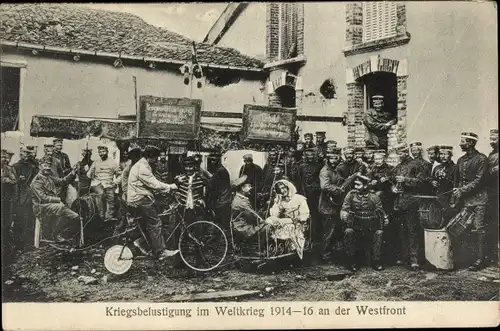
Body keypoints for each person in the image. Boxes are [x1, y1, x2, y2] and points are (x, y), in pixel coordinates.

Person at [127, 145, 179, 260]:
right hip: (140, 199)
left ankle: (142, 243)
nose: (157, 161)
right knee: (155, 222)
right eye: (156, 158)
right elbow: (155, 184)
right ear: (150, 157)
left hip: (139, 197)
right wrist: (171, 186)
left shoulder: (143, 164)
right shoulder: (143, 168)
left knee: (150, 219)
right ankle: (160, 251)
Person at [452, 132, 489, 271]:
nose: (460, 144)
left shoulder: (481, 159)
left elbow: (479, 181)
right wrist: (455, 197)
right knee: (463, 229)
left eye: (463, 141)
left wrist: (462, 190)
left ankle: (480, 260)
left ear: (471, 143)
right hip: (465, 200)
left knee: (478, 229)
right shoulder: (461, 160)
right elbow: (457, 181)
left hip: (479, 200)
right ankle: (467, 258)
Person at [389, 143, 425, 270]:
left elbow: (422, 182)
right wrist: (392, 188)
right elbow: (391, 180)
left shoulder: (416, 164)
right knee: (401, 230)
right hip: (399, 202)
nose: (401, 155)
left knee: (412, 230)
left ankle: (414, 259)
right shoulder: (398, 166)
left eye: (403, 152)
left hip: (412, 201)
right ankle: (404, 258)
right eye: (399, 153)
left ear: (407, 151)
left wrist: (406, 180)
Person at [342, 174, 388, 272]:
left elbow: (380, 210)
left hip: (371, 227)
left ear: (366, 186)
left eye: (358, 185)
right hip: (355, 225)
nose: (355, 187)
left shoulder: (374, 197)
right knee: (348, 231)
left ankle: (376, 261)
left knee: (379, 233)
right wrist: (344, 215)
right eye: (354, 185)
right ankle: (352, 261)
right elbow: (344, 208)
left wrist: (384, 218)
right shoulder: (351, 195)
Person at [30, 158, 80, 242]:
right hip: (41, 206)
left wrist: (72, 173)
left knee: (76, 217)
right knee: (60, 206)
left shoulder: (49, 177)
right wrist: (58, 199)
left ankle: (58, 233)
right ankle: (55, 234)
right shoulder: (36, 181)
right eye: (45, 165)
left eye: (49, 166)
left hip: (53, 205)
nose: (47, 168)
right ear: (39, 166)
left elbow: (62, 181)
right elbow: (43, 198)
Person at [265, 180, 310, 259]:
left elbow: (305, 214)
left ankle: (288, 247)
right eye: (279, 189)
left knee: (287, 226)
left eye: (283, 188)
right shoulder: (281, 199)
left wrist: (295, 219)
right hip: (285, 221)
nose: (282, 191)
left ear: (288, 187)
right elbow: (274, 214)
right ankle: (274, 247)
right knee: (269, 220)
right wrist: (277, 202)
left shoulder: (299, 198)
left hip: (298, 223)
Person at [318, 148, 344, 263]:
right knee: (328, 231)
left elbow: (339, 179)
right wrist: (338, 189)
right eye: (331, 158)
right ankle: (324, 255)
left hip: (334, 204)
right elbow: (325, 186)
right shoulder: (325, 171)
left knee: (335, 230)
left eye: (336, 157)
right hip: (326, 206)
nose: (333, 160)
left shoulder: (335, 170)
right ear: (327, 158)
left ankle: (333, 254)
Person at [295, 148, 321, 261]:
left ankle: (313, 238)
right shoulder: (301, 166)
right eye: (308, 156)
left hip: (314, 195)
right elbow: (298, 180)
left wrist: (315, 187)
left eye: (312, 156)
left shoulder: (318, 166)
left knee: (314, 216)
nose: (310, 157)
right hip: (303, 193)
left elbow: (319, 180)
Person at [231, 175, 268, 251]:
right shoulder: (242, 202)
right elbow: (253, 216)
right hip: (242, 227)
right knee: (266, 227)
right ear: (243, 188)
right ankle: (260, 250)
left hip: (239, 224)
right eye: (249, 186)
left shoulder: (238, 198)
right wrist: (263, 221)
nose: (251, 188)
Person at [12, 146, 38, 249]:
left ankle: (27, 242)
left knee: (29, 218)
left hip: (29, 195)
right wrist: (19, 180)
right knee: (19, 218)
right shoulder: (15, 166)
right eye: (24, 153)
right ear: (20, 154)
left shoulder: (32, 167)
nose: (26, 156)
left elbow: (35, 178)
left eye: (28, 154)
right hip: (19, 195)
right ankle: (19, 243)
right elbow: (13, 182)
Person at [88, 145, 121, 222]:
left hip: (108, 183)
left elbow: (119, 175)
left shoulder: (113, 162)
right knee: (100, 194)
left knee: (111, 197)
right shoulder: (96, 162)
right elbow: (89, 174)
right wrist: (90, 174)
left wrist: (115, 182)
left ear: (107, 152)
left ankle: (109, 217)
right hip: (97, 183)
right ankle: (101, 215)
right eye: (100, 152)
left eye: (103, 151)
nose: (101, 153)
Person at [174, 156, 207, 224]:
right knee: (182, 225)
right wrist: (178, 198)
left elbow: (207, 190)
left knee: (195, 225)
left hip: (196, 207)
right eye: (186, 167)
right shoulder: (180, 179)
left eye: (190, 167)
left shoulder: (200, 179)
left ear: (194, 167)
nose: (188, 169)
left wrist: (202, 200)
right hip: (183, 207)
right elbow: (175, 190)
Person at [1, 149, 18, 275]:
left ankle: (7, 254)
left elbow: (14, 181)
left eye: (5, 158)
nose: (3, 160)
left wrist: (6, 179)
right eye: (1, 157)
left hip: (6, 201)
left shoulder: (9, 169)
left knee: (6, 225)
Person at [206, 152, 232, 230]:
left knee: (222, 223)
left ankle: (223, 239)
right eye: (210, 160)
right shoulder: (220, 170)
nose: (211, 162)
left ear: (218, 160)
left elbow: (212, 185)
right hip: (224, 199)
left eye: (213, 160)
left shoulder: (220, 171)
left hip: (222, 200)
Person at [485, 129, 498, 264]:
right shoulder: (491, 154)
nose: (492, 141)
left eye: (494, 139)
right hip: (492, 193)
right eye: (491, 139)